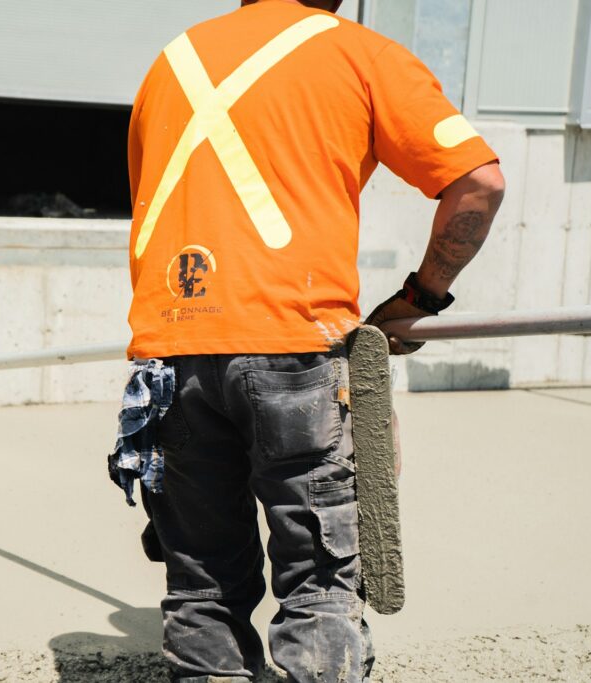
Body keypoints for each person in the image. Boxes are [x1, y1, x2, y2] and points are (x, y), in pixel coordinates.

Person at [112, 0, 505, 680]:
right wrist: (421, 297)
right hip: (294, 344)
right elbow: (477, 181)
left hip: (169, 356)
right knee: (320, 586)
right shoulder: (358, 53)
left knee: (201, 589)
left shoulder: (172, 62)